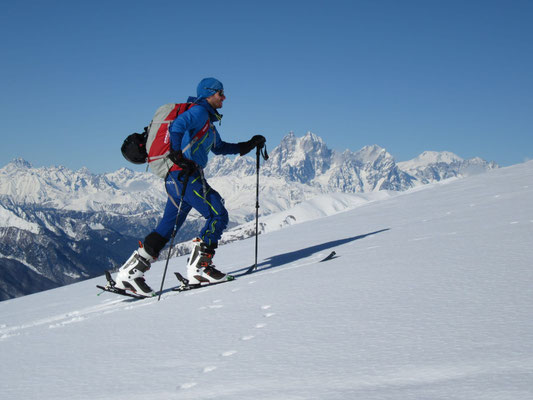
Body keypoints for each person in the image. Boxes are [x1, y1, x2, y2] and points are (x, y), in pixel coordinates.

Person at [114, 78, 265, 296]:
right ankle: (200, 268)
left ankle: (129, 275)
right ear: (208, 93)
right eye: (220, 93)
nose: (224, 97)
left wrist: (249, 144)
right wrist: (176, 153)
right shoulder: (200, 112)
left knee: (166, 229)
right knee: (218, 214)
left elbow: (220, 148)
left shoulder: (208, 124)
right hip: (184, 175)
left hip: (175, 179)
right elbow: (177, 126)